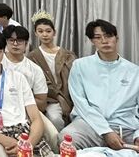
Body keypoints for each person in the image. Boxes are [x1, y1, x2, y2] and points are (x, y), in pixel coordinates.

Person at [0, 30, 52, 157]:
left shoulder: (18, 77)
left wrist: (27, 144)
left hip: (22, 132)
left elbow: (36, 118)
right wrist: (4, 139)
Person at [58, 19, 139, 151]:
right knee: (66, 139)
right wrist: (105, 131)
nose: (104, 41)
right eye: (98, 37)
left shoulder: (134, 71)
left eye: (108, 36)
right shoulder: (80, 66)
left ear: (116, 38)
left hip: (126, 126)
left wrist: (137, 135)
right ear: (92, 41)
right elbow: (80, 102)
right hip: (89, 124)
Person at [2, 25, 59, 151]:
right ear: (6, 42)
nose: (15, 44)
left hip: (29, 110)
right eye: (11, 40)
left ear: (26, 44)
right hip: (1, 109)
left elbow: (42, 103)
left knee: (53, 135)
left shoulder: (34, 69)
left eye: (19, 41)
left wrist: (20, 101)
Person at [27, 14, 76, 131]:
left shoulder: (68, 55)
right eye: (40, 31)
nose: (44, 34)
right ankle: (59, 142)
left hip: (71, 97)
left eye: (48, 31)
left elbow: (76, 77)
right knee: (55, 119)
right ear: (35, 33)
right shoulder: (32, 57)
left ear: (54, 32)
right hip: (49, 99)